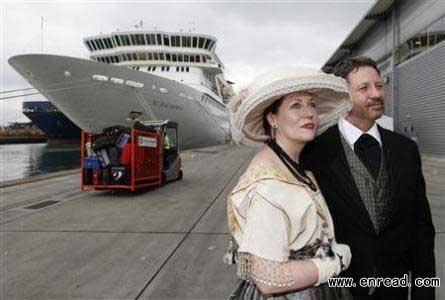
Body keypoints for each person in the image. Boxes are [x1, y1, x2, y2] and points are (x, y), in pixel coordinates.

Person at [301, 57, 436, 300]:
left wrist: (423, 292)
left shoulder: (405, 150)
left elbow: (421, 229)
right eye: (364, 88)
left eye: (379, 85)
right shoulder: (314, 153)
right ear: (344, 96)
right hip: (339, 290)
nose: (376, 94)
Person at [226, 68, 354, 299]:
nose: (309, 113)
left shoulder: (292, 168)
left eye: (312, 104)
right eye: (296, 105)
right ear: (272, 118)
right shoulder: (269, 187)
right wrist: (334, 264)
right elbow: (268, 278)